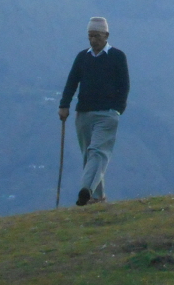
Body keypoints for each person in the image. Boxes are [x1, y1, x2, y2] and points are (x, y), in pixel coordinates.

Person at [59, 16, 129, 206]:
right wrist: (64, 105)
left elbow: (124, 86)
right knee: (89, 155)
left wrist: (117, 110)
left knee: (97, 152)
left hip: (107, 114)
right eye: (90, 36)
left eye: (96, 35)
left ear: (106, 35)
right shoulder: (83, 57)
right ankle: (98, 198)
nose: (92, 40)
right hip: (84, 114)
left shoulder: (117, 56)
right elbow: (72, 81)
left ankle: (86, 191)